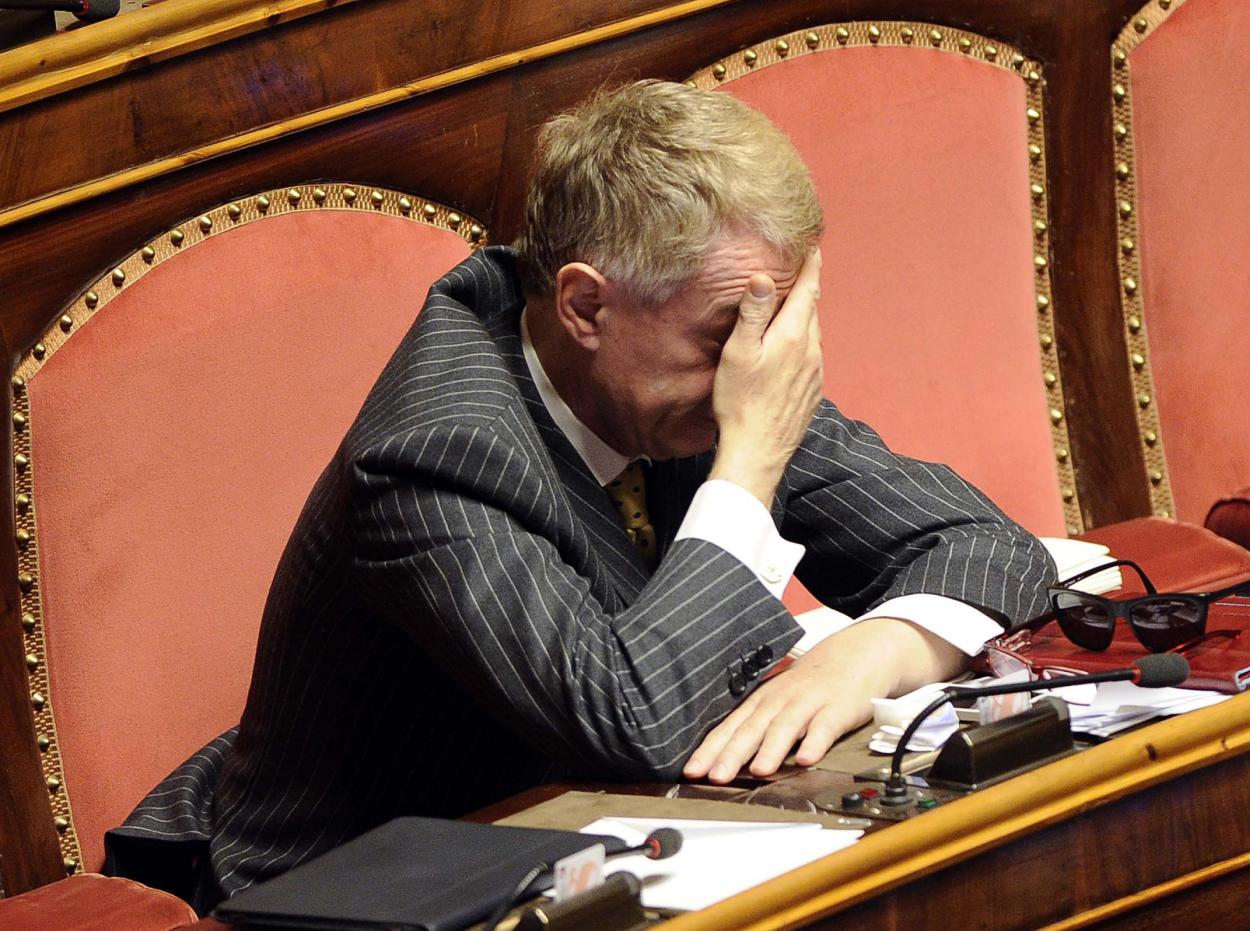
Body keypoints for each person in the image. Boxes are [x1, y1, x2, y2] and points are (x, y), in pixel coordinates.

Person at [112, 80, 1053, 901]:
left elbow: (994, 548)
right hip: (354, 889)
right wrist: (748, 469)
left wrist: (870, 656)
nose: (760, 367)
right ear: (585, 305)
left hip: (577, 840)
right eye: (729, 332)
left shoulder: (685, 376)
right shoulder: (431, 456)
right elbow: (630, 721)